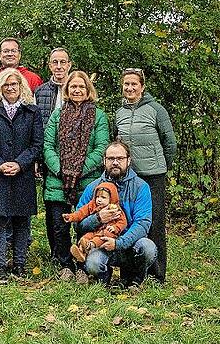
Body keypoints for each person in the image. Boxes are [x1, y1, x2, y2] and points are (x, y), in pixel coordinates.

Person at [42, 71, 109, 281]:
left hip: (87, 180)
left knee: (85, 225)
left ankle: (82, 265)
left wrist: (79, 170)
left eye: (81, 87)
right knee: (59, 225)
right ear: (67, 90)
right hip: (58, 180)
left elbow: (101, 149)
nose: (77, 90)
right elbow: (48, 145)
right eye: (73, 87)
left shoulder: (98, 116)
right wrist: (61, 170)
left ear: (88, 90)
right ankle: (65, 265)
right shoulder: (58, 114)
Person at [114, 68, 176, 283]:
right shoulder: (119, 113)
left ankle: (156, 274)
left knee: (154, 223)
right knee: (128, 222)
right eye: (126, 84)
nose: (129, 88)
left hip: (153, 176)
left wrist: (162, 166)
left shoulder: (156, 110)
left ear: (142, 87)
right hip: (128, 177)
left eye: (134, 84)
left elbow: (169, 142)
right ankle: (130, 275)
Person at [0, 68, 44, 282]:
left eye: (14, 84)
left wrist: (19, 163)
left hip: (22, 174)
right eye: (6, 84)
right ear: (0, 86)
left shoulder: (32, 111)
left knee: (21, 221)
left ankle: (19, 264)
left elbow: (37, 144)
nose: (10, 88)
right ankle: (0, 266)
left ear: (21, 87)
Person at [76, 141, 158, 287]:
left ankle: (136, 279)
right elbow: (78, 224)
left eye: (119, 159)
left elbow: (143, 223)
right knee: (94, 264)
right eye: (110, 159)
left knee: (148, 248)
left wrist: (119, 243)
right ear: (104, 161)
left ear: (128, 160)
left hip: (131, 243)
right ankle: (104, 277)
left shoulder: (140, 187)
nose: (115, 162)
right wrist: (98, 218)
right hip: (102, 243)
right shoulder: (93, 188)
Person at [64, 181, 127, 263]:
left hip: (108, 232)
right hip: (95, 230)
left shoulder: (115, 209)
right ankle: (81, 252)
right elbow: (81, 212)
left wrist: (115, 227)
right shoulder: (92, 205)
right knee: (86, 236)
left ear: (112, 198)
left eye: (103, 198)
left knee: (102, 236)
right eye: (97, 197)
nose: (99, 200)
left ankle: (90, 245)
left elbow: (123, 222)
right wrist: (72, 217)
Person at [34, 47, 72, 129]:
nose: (59, 66)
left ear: (69, 65)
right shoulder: (39, 92)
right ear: (50, 66)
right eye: (55, 62)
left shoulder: (78, 91)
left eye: (62, 62)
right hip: (45, 140)